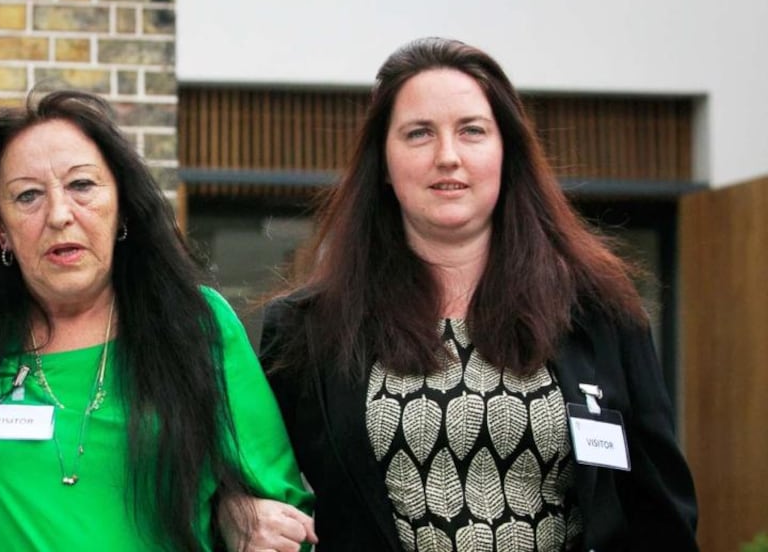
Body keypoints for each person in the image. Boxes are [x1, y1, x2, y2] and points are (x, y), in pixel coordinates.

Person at [0, 90, 313, 552]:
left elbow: (281, 513)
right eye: (27, 196)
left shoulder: (195, 325)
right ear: (0, 230)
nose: (59, 214)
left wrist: (237, 512)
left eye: (82, 186)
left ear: (121, 208)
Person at [258, 37, 698, 551]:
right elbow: (250, 487)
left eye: (472, 131)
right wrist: (242, 510)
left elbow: (661, 513)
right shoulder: (307, 329)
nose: (448, 157)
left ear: (507, 152)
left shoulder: (599, 313)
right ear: (383, 164)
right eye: (419, 133)